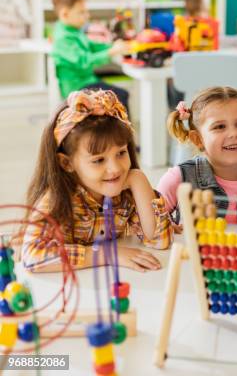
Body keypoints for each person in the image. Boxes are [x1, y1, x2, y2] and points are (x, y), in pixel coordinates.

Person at [22, 90, 172, 272]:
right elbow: (31, 256)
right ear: (67, 163)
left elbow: (160, 240)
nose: (115, 168)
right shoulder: (55, 199)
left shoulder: (127, 192)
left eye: (121, 153)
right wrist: (107, 254)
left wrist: (138, 179)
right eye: (98, 160)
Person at [158, 87, 237, 225]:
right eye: (220, 127)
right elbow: (152, 225)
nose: (233, 133)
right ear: (198, 139)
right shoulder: (178, 178)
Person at [50, 0, 130, 111]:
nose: (87, 15)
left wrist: (112, 46)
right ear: (65, 14)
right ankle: (118, 130)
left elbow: (92, 46)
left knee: (120, 94)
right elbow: (84, 61)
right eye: (82, 12)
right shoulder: (63, 38)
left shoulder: (73, 30)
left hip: (88, 82)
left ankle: (115, 129)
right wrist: (112, 51)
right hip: (77, 88)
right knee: (120, 96)